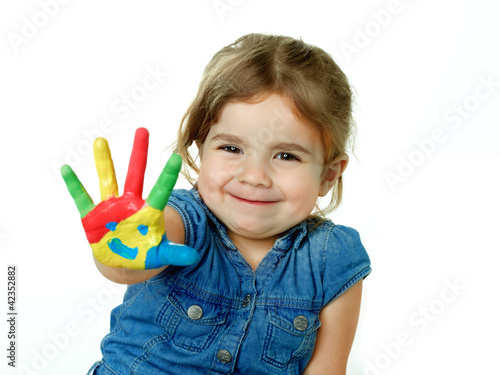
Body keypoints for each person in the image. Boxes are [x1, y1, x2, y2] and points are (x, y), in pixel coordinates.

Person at [62, 33, 372, 375]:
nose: (255, 176)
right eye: (232, 149)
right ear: (201, 145)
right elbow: (130, 262)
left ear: (328, 174)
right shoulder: (183, 220)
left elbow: (327, 368)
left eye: (286, 155)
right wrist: (122, 249)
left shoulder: (335, 259)